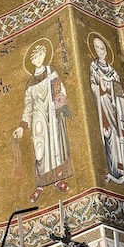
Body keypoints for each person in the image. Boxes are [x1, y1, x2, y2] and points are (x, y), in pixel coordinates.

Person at [14, 42, 73, 202]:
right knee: (40, 151)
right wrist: (22, 126)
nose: (39, 58)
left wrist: (60, 103)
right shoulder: (30, 83)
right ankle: (40, 184)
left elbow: (60, 89)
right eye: (35, 57)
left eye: (41, 54)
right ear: (31, 61)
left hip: (53, 113)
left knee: (55, 146)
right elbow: (28, 106)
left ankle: (58, 179)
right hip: (38, 118)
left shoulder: (51, 71)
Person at [89, 35, 124, 186]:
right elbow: (93, 86)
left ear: (106, 50)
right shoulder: (93, 67)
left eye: (102, 48)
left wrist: (111, 89)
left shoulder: (113, 71)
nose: (100, 50)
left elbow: (120, 92)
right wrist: (100, 89)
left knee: (121, 137)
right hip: (104, 108)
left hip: (117, 110)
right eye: (97, 48)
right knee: (110, 136)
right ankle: (116, 171)